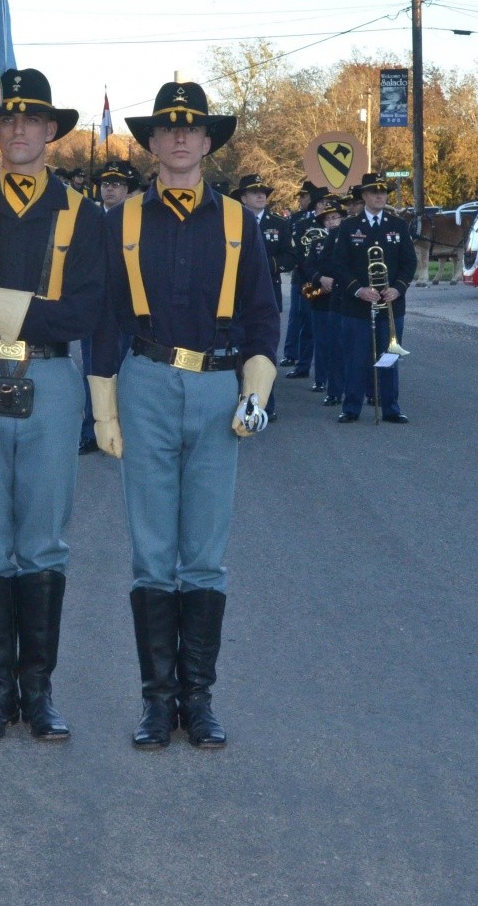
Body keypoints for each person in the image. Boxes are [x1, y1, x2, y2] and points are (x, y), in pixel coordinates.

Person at [89, 79, 278, 750]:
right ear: (152, 142)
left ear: (206, 142)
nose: (177, 137)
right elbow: (105, 318)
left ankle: (198, 701)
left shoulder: (239, 223)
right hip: (144, 380)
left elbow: (262, 317)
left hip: (215, 387)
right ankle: (156, 702)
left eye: (190, 128)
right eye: (166, 128)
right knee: (151, 555)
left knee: (203, 558)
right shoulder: (121, 222)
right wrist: (103, 408)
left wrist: (256, 392)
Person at [0, 68, 107, 743]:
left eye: (31, 119)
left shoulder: (81, 214)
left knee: (41, 541)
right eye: (7, 119)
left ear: (49, 132)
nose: (18, 129)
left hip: (51, 381)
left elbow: (81, 315)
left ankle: (38, 692)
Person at [322, 173, 416, 424]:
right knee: (356, 357)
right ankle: (351, 407)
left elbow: (409, 263)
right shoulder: (349, 226)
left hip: (391, 305)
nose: (379, 196)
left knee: (389, 357)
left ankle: (391, 407)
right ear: (363, 196)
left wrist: (398, 288)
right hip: (357, 306)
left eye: (383, 192)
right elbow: (339, 264)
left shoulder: (398, 225)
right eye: (374, 192)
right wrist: (358, 289)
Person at [81, 159, 144, 453]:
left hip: (127, 305)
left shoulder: (137, 219)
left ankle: (125, 426)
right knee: (94, 368)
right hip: (94, 306)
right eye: (106, 184)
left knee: (125, 369)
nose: (110, 189)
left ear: (127, 189)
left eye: (117, 184)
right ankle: (91, 431)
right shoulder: (88, 218)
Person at [235, 174, 289, 421]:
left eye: (264, 192)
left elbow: (291, 256)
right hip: (235, 294)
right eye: (255, 192)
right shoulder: (232, 221)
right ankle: (238, 399)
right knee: (235, 348)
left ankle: (266, 403)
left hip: (268, 292)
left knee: (265, 346)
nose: (260, 196)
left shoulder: (278, 223)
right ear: (243, 197)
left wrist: (266, 265)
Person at [302, 197, 346, 402]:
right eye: (327, 219)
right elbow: (308, 266)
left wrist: (336, 281)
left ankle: (342, 382)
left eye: (335, 217)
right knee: (322, 341)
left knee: (341, 342)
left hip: (342, 297)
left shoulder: (348, 240)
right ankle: (320, 379)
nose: (332, 222)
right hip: (321, 296)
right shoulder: (317, 243)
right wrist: (321, 279)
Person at [281, 183, 321, 368]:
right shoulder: (296, 219)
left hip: (319, 279)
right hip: (301, 278)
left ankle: (307, 360)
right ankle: (291, 353)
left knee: (311, 318)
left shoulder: (329, 220)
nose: (300, 200)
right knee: (296, 315)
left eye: (303, 197)